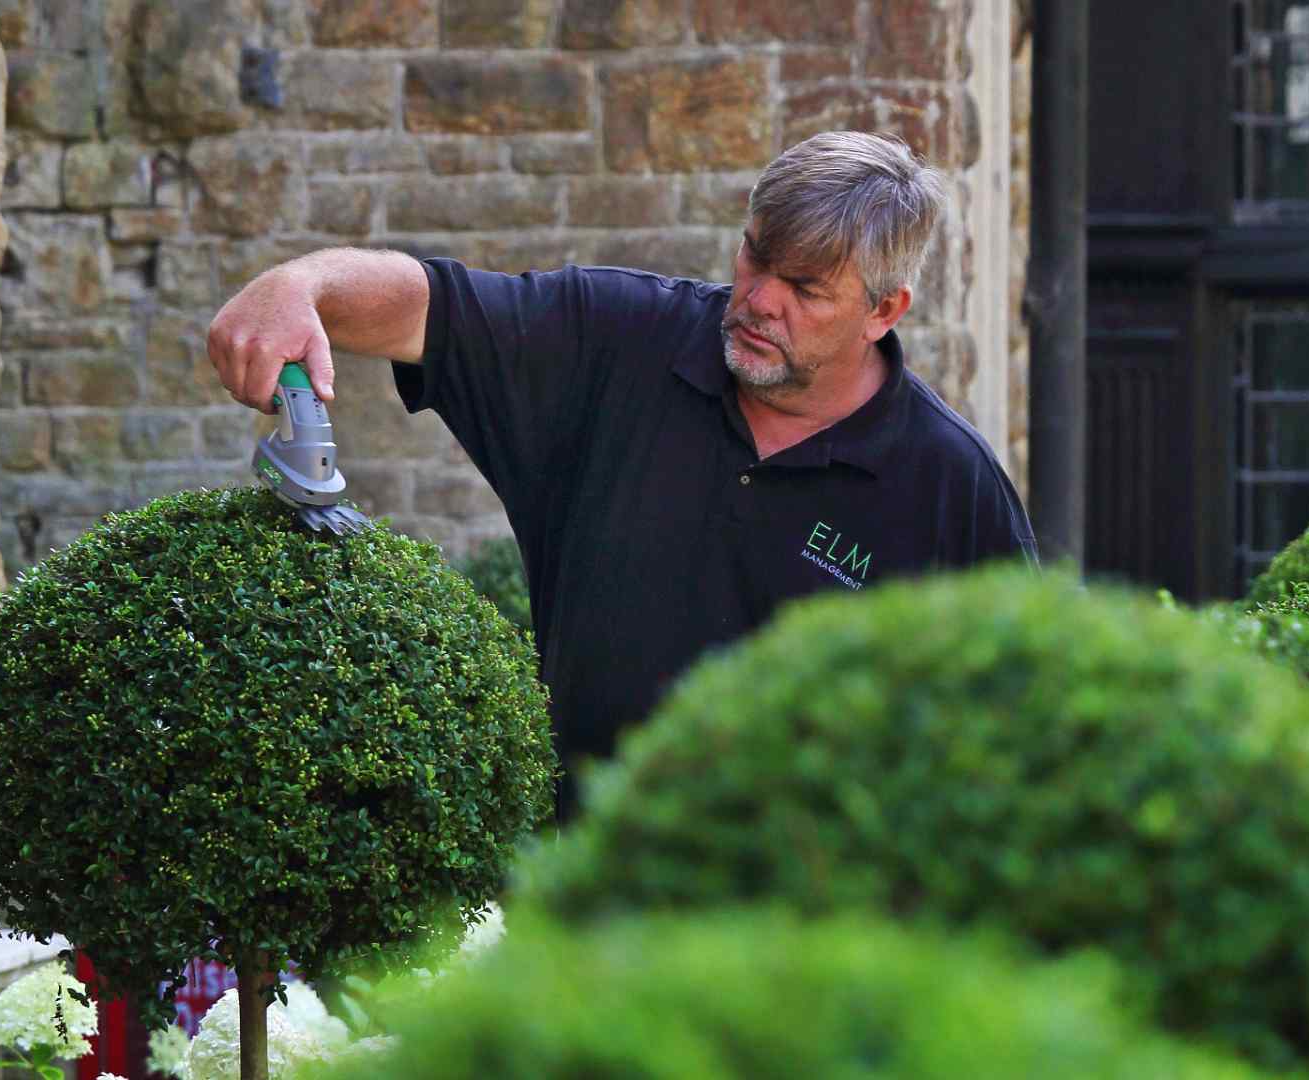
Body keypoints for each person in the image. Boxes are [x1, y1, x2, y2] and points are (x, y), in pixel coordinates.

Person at [207, 131, 1038, 820]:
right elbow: (436, 307)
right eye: (755, 257)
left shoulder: (948, 489)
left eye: (805, 289)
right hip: (580, 921)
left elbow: (1018, 752)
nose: (757, 299)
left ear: (885, 310)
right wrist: (302, 285)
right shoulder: (618, 344)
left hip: (815, 966)